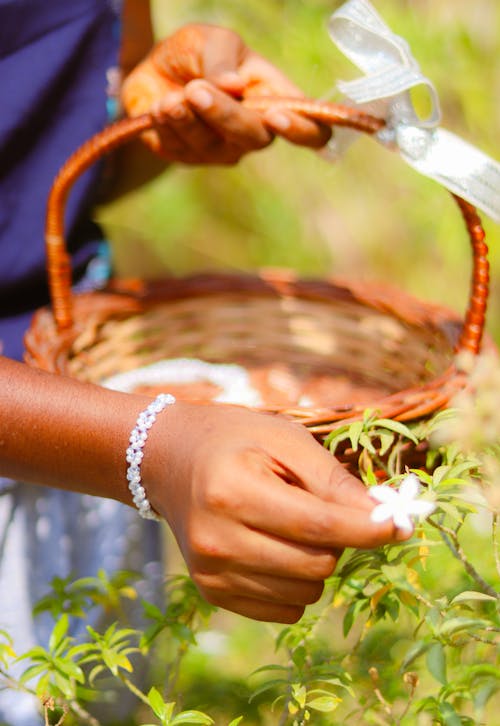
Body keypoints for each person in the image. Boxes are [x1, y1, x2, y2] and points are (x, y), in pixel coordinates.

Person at [0, 1, 408, 723]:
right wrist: (152, 449)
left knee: (100, 696)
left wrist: (162, 123)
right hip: (92, 435)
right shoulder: (147, 444)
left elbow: (57, 162)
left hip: (74, 412)